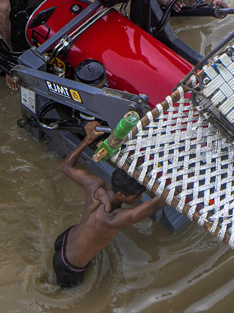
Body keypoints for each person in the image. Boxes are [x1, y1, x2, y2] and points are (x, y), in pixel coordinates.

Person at [53, 121, 166, 288]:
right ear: (121, 195)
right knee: (66, 296)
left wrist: (88, 139)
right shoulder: (113, 219)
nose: (140, 198)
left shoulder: (95, 185)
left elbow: (66, 166)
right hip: (70, 265)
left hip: (64, 240)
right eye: (137, 195)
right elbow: (156, 204)